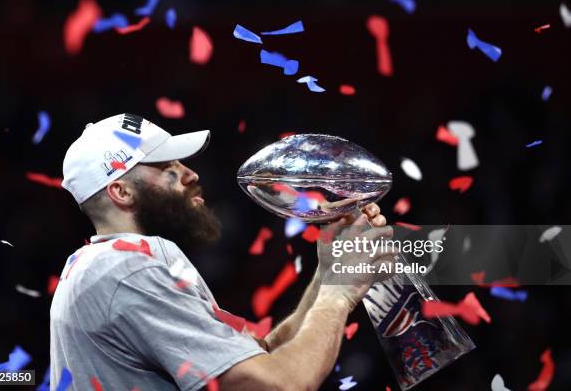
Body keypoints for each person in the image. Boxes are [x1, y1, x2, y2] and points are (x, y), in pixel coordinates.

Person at [50, 113, 396, 390]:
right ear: (121, 192)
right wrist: (340, 291)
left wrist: (327, 273)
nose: (190, 173)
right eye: (168, 168)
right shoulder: (126, 272)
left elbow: (259, 359)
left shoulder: (106, 264)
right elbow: (281, 384)